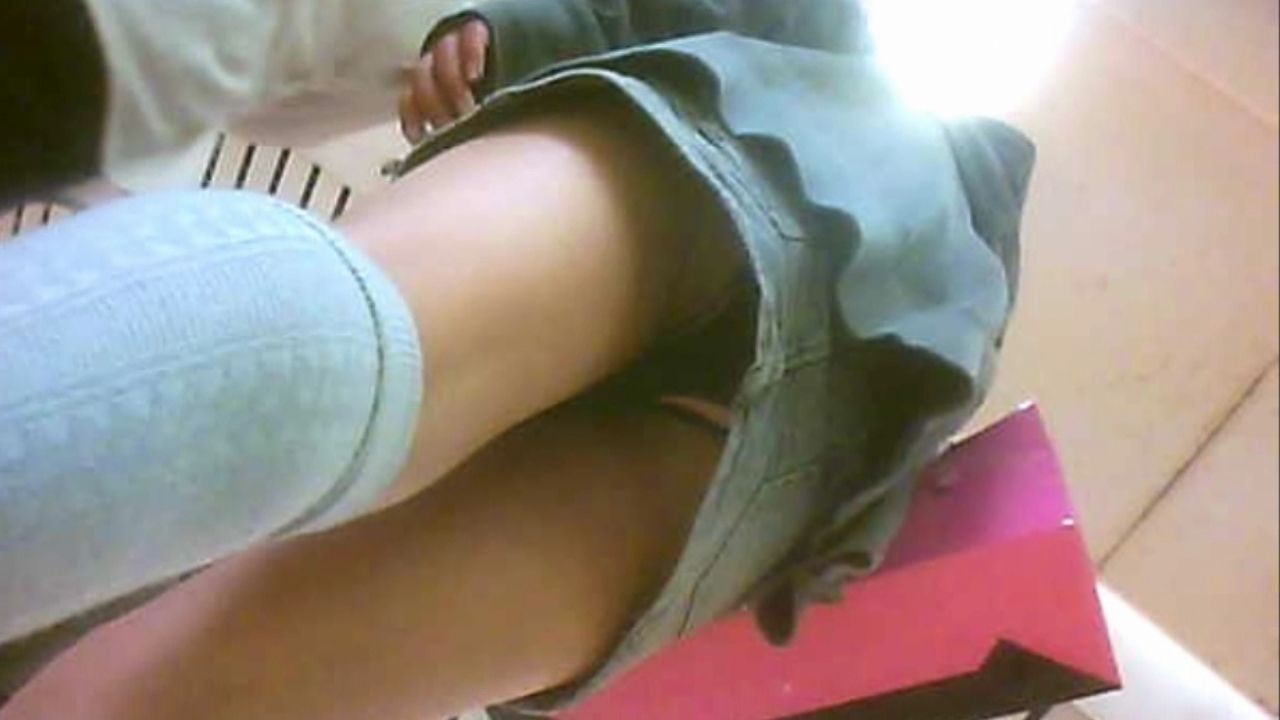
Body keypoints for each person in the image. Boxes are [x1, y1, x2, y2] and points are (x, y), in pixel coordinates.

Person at [0, 1, 1035, 717]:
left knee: (338, 344)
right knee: (166, 700)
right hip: (818, 439)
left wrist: (516, 32)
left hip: (796, 164)